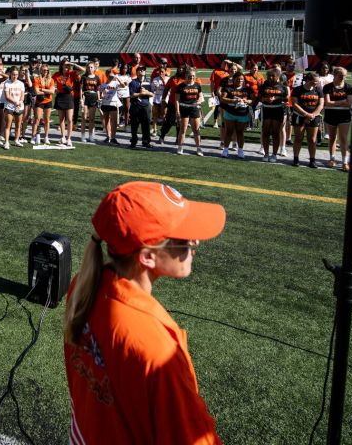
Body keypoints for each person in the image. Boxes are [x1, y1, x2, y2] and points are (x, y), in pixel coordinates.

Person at [63, 181, 226, 445]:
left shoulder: (83, 286)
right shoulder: (157, 350)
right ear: (147, 257)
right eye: (184, 238)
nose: (194, 241)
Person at [321, 67, 352, 170]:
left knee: (343, 138)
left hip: (344, 115)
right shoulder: (327, 87)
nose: (343, 77)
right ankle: (332, 158)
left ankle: (345, 162)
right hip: (331, 114)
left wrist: (336, 103)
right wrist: (342, 102)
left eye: (344, 75)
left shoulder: (349, 87)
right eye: (340, 75)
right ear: (335, 75)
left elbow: (349, 103)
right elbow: (328, 103)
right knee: (332, 138)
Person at [290, 71, 324, 167]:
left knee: (312, 139)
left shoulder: (319, 90)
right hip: (299, 116)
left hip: (314, 117)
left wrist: (313, 115)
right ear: (308, 80)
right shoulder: (297, 90)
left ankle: (312, 160)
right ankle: (296, 159)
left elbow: (321, 104)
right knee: (298, 138)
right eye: (315, 82)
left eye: (317, 82)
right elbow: (295, 104)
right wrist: (305, 114)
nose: (316, 83)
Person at [217, 68, 254, 159]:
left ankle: (240, 150)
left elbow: (253, 100)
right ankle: (225, 150)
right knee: (228, 131)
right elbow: (222, 98)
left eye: (241, 79)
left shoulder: (248, 89)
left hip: (242, 113)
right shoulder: (228, 88)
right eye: (238, 79)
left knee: (240, 132)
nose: (240, 81)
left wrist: (246, 101)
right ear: (233, 79)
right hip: (230, 112)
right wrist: (234, 100)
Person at [257, 67, 288, 162]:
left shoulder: (283, 87)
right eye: (268, 76)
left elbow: (286, 99)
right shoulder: (263, 86)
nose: (270, 77)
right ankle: (266, 153)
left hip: (277, 110)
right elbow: (259, 98)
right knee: (265, 132)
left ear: (278, 76)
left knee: (276, 133)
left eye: (272, 76)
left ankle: (274, 154)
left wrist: (276, 99)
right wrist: (266, 99)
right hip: (266, 110)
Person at [171, 67, 204, 156]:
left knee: (196, 130)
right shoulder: (180, 86)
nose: (191, 78)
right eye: (189, 76)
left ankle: (198, 148)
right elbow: (177, 100)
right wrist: (177, 111)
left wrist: (199, 101)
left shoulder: (197, 85)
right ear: (186, 76)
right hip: (184, 109)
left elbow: (200, 96)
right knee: (183, 129)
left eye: (193, 76)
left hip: (194, 108)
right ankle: (180, 147)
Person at [79, 58, 106, 143]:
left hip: (94, 98)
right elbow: (81, 89)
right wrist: (81, 99)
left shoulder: (97, 78)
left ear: (94, 68)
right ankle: (83, 136)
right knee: (84, 117)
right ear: (86, 68)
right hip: (85, 97)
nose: (90, 69)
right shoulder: (83, 77)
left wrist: (99, 99)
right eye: (88, 67)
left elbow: (98, 89)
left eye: (91, 67)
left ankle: (91, 136)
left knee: (92, 119)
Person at [0, 67, 27, 149]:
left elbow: (22, 96)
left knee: (18, 125)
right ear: (10, 74)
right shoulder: (7, 83)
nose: (15, 76)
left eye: (16, 74)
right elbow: (7, 96)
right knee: (8, 125)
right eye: (13, 74)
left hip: (19, 106)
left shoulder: (21, 84)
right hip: (9, 107)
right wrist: (15, 102)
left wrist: (19, 102)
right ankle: (7, 142)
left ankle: (16, 140)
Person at [127, 68, 154, 148]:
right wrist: (140, 94)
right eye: (140, 70)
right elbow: (131, 94)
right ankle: (133, 141)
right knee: (134, 125)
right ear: (137, 72)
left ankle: (146, 141)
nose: (142, 71)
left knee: (146, 125)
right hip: (135, 105)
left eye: (143, 70)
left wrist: (146, 92)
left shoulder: (148, 82)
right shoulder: (133, 82)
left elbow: (152, 94)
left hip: (145, 105)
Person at [98, 65, 124, 146]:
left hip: (113, 103)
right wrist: (102, 95)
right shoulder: (103, 85)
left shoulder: (116, 83)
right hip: (105, 103)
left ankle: (113, 137)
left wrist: (117, 77)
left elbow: (123, 85)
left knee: (114, 121)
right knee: (106, 120)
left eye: (111, 74)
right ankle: (108, 136)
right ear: (107, 75)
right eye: (109, 75)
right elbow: (100, 93)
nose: (110, 76)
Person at [31, 64, 56, 145]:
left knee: (47, 120)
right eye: (44, 70)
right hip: (39, 102)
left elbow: (52, 91)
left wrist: (42, 89)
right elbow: (36, 92)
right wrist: (46, 91)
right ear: (40, 70)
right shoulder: (37, 79)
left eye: (47, 70)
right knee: (37, 119)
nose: (45, 71)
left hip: (48, 101)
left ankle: (46, 137)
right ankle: (33, 136)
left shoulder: (51, 80)